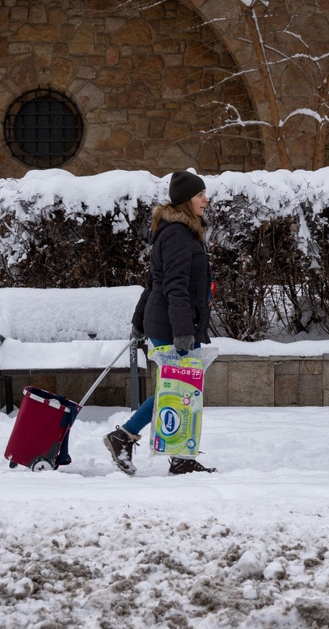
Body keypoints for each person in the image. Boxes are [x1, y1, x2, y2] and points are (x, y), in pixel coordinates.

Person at [103, 170, 217, 476]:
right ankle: (122, 436)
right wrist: (182, 331)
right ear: (184, 201)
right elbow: (174, 287)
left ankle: (179, 457)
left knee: (181, 387)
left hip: (164, 321)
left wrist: (139, 322)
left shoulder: (176, 231)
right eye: (199, 195)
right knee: (178, 388)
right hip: (172, 325)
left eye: (204, 194)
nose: (206, 200)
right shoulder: (179, 235)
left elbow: (154, 281)